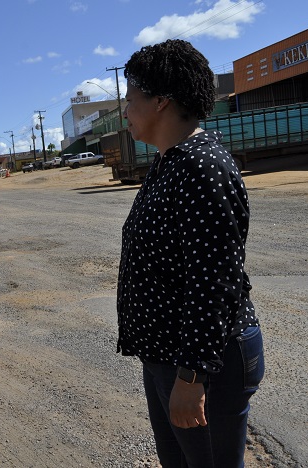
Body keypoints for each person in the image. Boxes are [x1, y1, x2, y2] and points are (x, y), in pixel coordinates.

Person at [116, 39, 265, 467]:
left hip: (202, 362)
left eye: (131, 99)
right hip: (170, 353)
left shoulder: (203, 168)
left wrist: (191, 376)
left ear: (161, 101)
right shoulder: (171, 161)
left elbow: (215, 281)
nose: (126, 109)